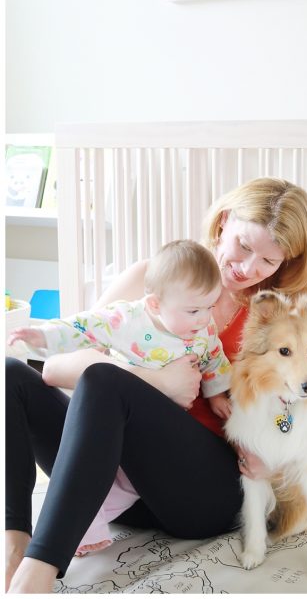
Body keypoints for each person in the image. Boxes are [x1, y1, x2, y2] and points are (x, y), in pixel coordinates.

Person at [6, 177, 307, 593]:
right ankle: (14, 541)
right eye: (243, 246)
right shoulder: (152, 279)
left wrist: (280, 462)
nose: (248, 268)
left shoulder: (282, 319)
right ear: (224, 222)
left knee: (106, 379)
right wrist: (157, 381)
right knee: (12, 375)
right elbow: (56, 367)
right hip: (112, 481)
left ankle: (38, 574)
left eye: (268, 261)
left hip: (203, 492)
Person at [8, 239, 232, 557]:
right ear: (155, 304)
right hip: (111, 421)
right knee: (11, 372)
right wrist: (41, 335)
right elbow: (83, 327)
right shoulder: (128, 320)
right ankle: (18, 538)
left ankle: (84, 526)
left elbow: (215, 361)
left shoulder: (203, 332)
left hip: (158, 448)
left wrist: (217, 394)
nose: (204, 319)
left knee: (123, 483)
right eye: (194, 311)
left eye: (210, 307)